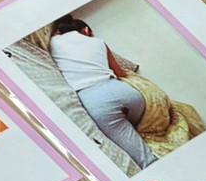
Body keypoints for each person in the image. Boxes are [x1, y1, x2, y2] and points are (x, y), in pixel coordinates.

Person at [47, 15, 157, 168]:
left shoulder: (54, 42)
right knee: (131, 125)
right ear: (86, 30)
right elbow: (120, 73)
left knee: (145, 159)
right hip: (126, 92)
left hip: (95, 100)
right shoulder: (99, 42)